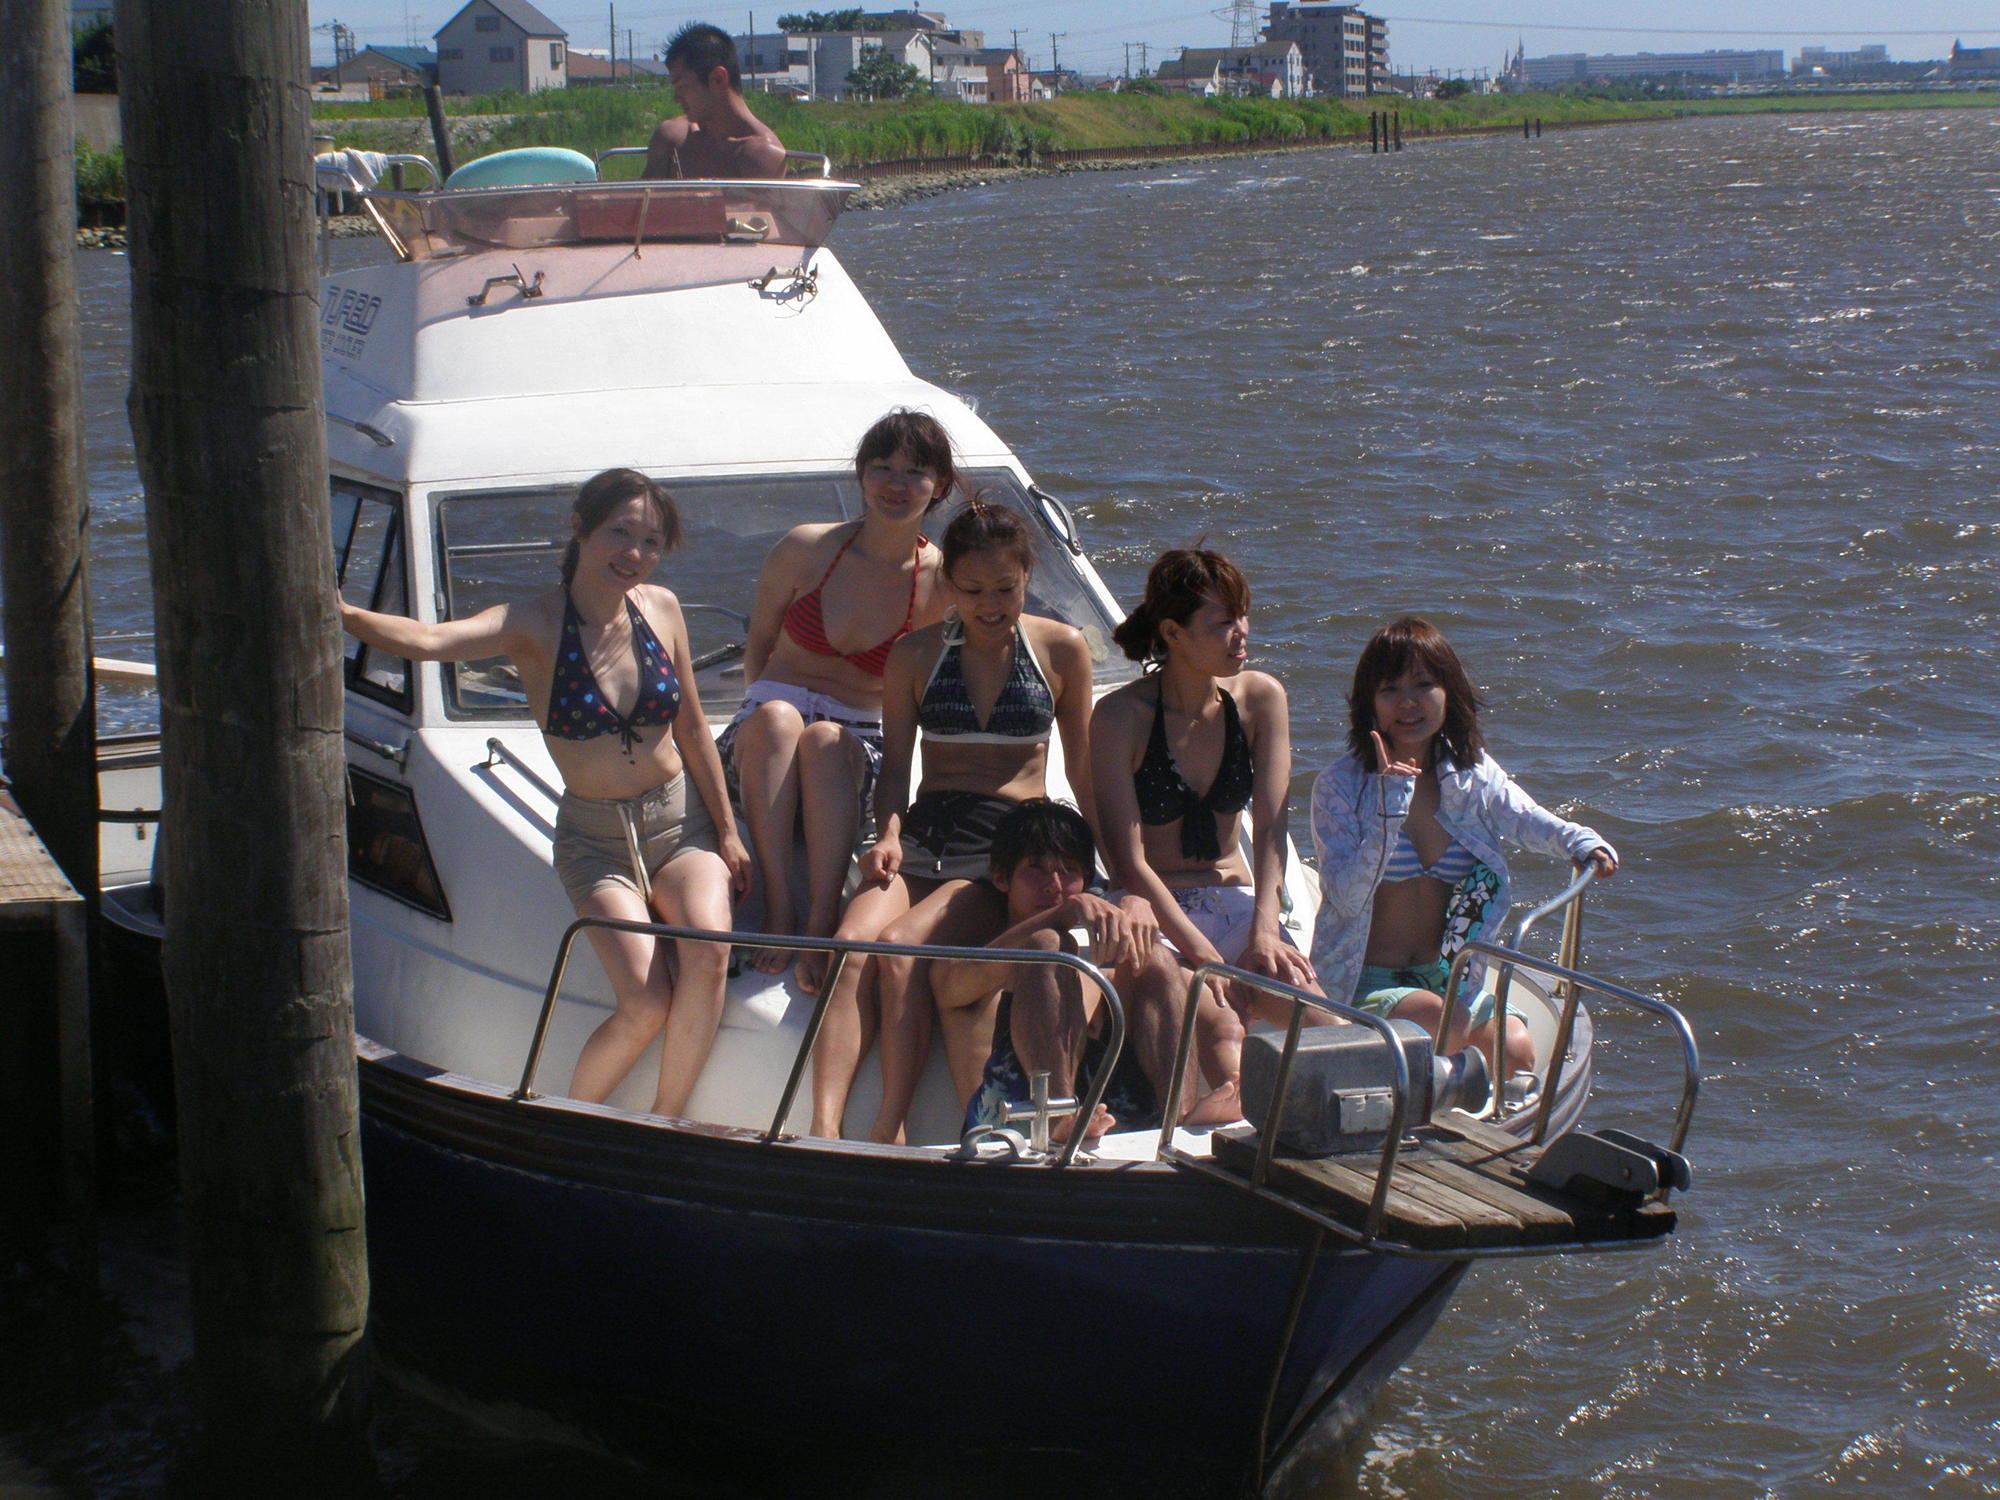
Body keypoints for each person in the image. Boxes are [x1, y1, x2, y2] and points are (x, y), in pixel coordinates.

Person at [339, 469, 750, 1117]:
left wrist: (726, 831)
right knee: (645, 1001)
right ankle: (573, 1120)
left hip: (681, 826)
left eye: (651, 541)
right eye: (621, 533)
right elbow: (427, 641)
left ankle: (667, 1120)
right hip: (597, 843)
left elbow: (694, 729)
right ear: (580, 528)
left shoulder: (661, 608)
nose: (635, 553)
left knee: (710, 953)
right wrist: (340, 613)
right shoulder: (531, 623)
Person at [808, 501, 1095, 1142]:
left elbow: (1083, 771)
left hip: (1002, 844)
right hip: (924, 834)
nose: (990, 604)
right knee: (853, 946)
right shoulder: (914, 655)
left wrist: (1109, 870)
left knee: (898, 947)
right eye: (973, 590)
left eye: (1006, 589)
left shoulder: (1062, 649)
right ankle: (823, 1128)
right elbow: (895, 769)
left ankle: (889, 1127)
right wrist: (886, 834)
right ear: (948, 585)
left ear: (1028, 577)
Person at [1310, 616, 1618, 1078]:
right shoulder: (1339, 785)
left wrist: (1581, 841)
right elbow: (1346, 895)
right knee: (1444, 1021)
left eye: (1423, 685)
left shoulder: (1472, 773)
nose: (1408, 702)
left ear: (1449, 692)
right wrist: (1390, 807)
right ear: (1368, 703)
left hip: (1449, 975)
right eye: (1390, 689)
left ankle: (1444, 1088)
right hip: (1362, 979)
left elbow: (1524, 817)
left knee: (1516, 1054)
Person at [717, 409, 951, 981]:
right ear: (861, 474)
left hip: (853, 743)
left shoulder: (938, 580)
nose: (896, 484)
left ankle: (821, 916)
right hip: (764, 733)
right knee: (777, 718)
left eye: (915, 472)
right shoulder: (806, 548)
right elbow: (759, 642)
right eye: (883, 467)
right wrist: (758, 710)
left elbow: (920, 687)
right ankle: (780, 906)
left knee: (823, 739)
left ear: (939, 484)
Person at [1090, 548, 1318, 1106]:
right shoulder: (1120, 717)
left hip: (1238, 903)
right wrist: (1203, 955)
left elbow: (1271, 830)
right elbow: (1128, 861)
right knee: (1220, 1023)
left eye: (1243, 615)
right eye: (1223, 622)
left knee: (1316, 1012)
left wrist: (1265, 929)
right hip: (1158, 909)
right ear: (1173, 632)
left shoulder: (1261, 699)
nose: (1242, 633)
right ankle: (1226, 1121)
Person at [943, 801, 1230, 1144]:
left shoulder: (1102, 975)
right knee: (1047, 943)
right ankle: (1058, 1117)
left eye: (1068, 870)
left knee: (1152, 956)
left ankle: (1178, 1120)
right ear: (1002, 877)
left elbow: (1207, 1009)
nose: (1054, 885)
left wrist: (1139, 904)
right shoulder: (972, 968)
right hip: (1010, 1136)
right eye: (1036, 869)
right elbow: (951, 985)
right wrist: (1063, 913)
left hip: (1111, 1129)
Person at [642, 23, 787, 181]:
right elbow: (642, 196)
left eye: (682, 86)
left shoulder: (760, 155)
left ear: (718, 79)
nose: (676, 98)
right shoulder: (672, 138)